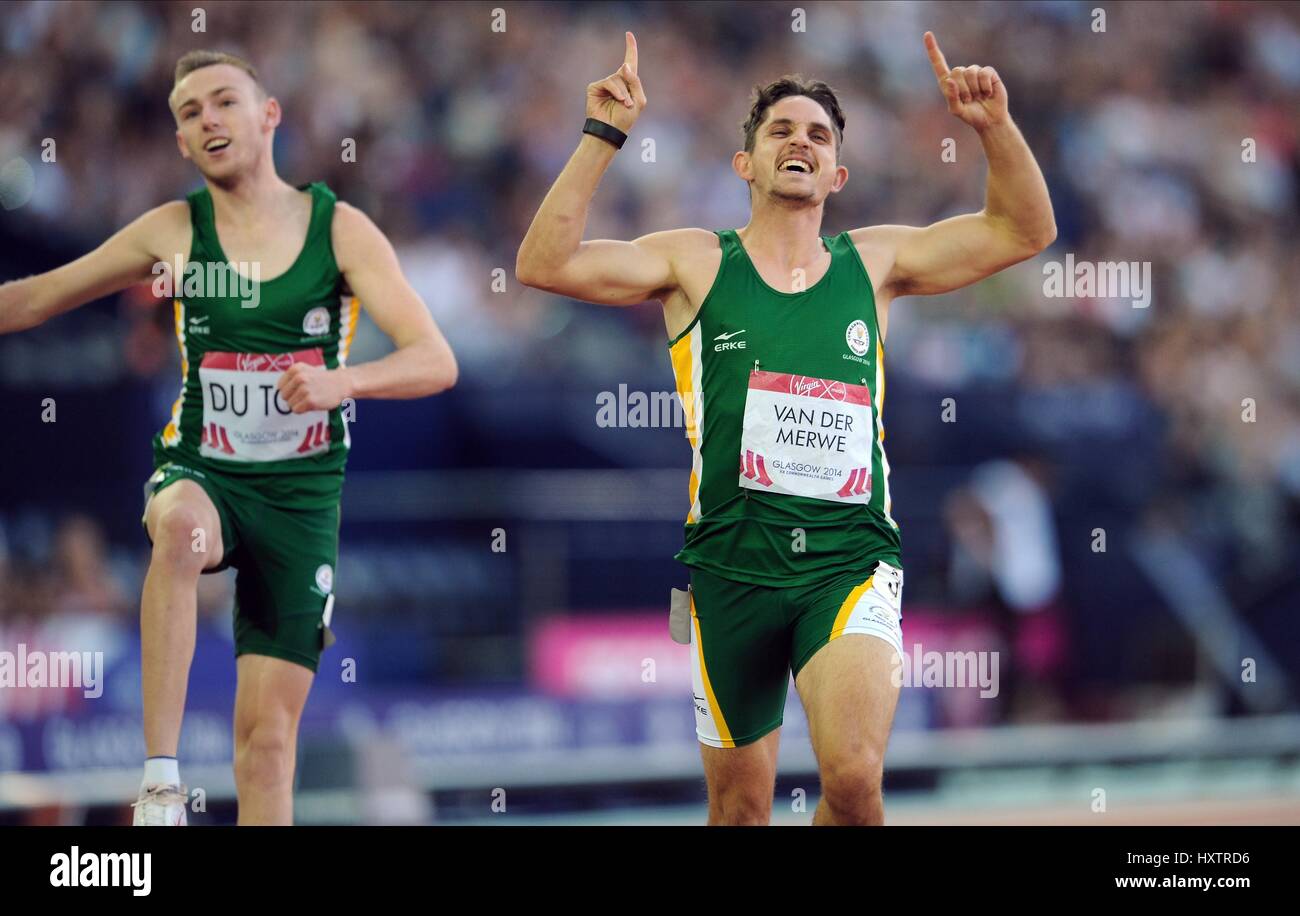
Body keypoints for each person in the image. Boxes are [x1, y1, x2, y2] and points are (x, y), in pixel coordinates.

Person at [516, 31, 1054, 824]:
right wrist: (604, 134)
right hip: (731, 567)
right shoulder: (694, 263)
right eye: (780, 131)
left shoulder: (875, 264)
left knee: (855, 780)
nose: (799, 141)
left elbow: (1024, 232)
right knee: (740, 810)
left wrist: (993, 129)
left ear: (838, 173)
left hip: (847, 561)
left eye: (818, 134)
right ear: (747, 165)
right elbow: (543, 262)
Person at [0, 50, 458, 825]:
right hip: (203, 470)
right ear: (182, 143)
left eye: (223, 102)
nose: (207, 119)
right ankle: (160, 781)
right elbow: (39, 296)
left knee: (267, 748)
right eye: (189, 112)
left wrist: (343, 382)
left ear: (268, 115)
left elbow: (434, 359)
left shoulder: (340, 230)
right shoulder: (175, 230)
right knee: (177, 530)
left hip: (301, 496)